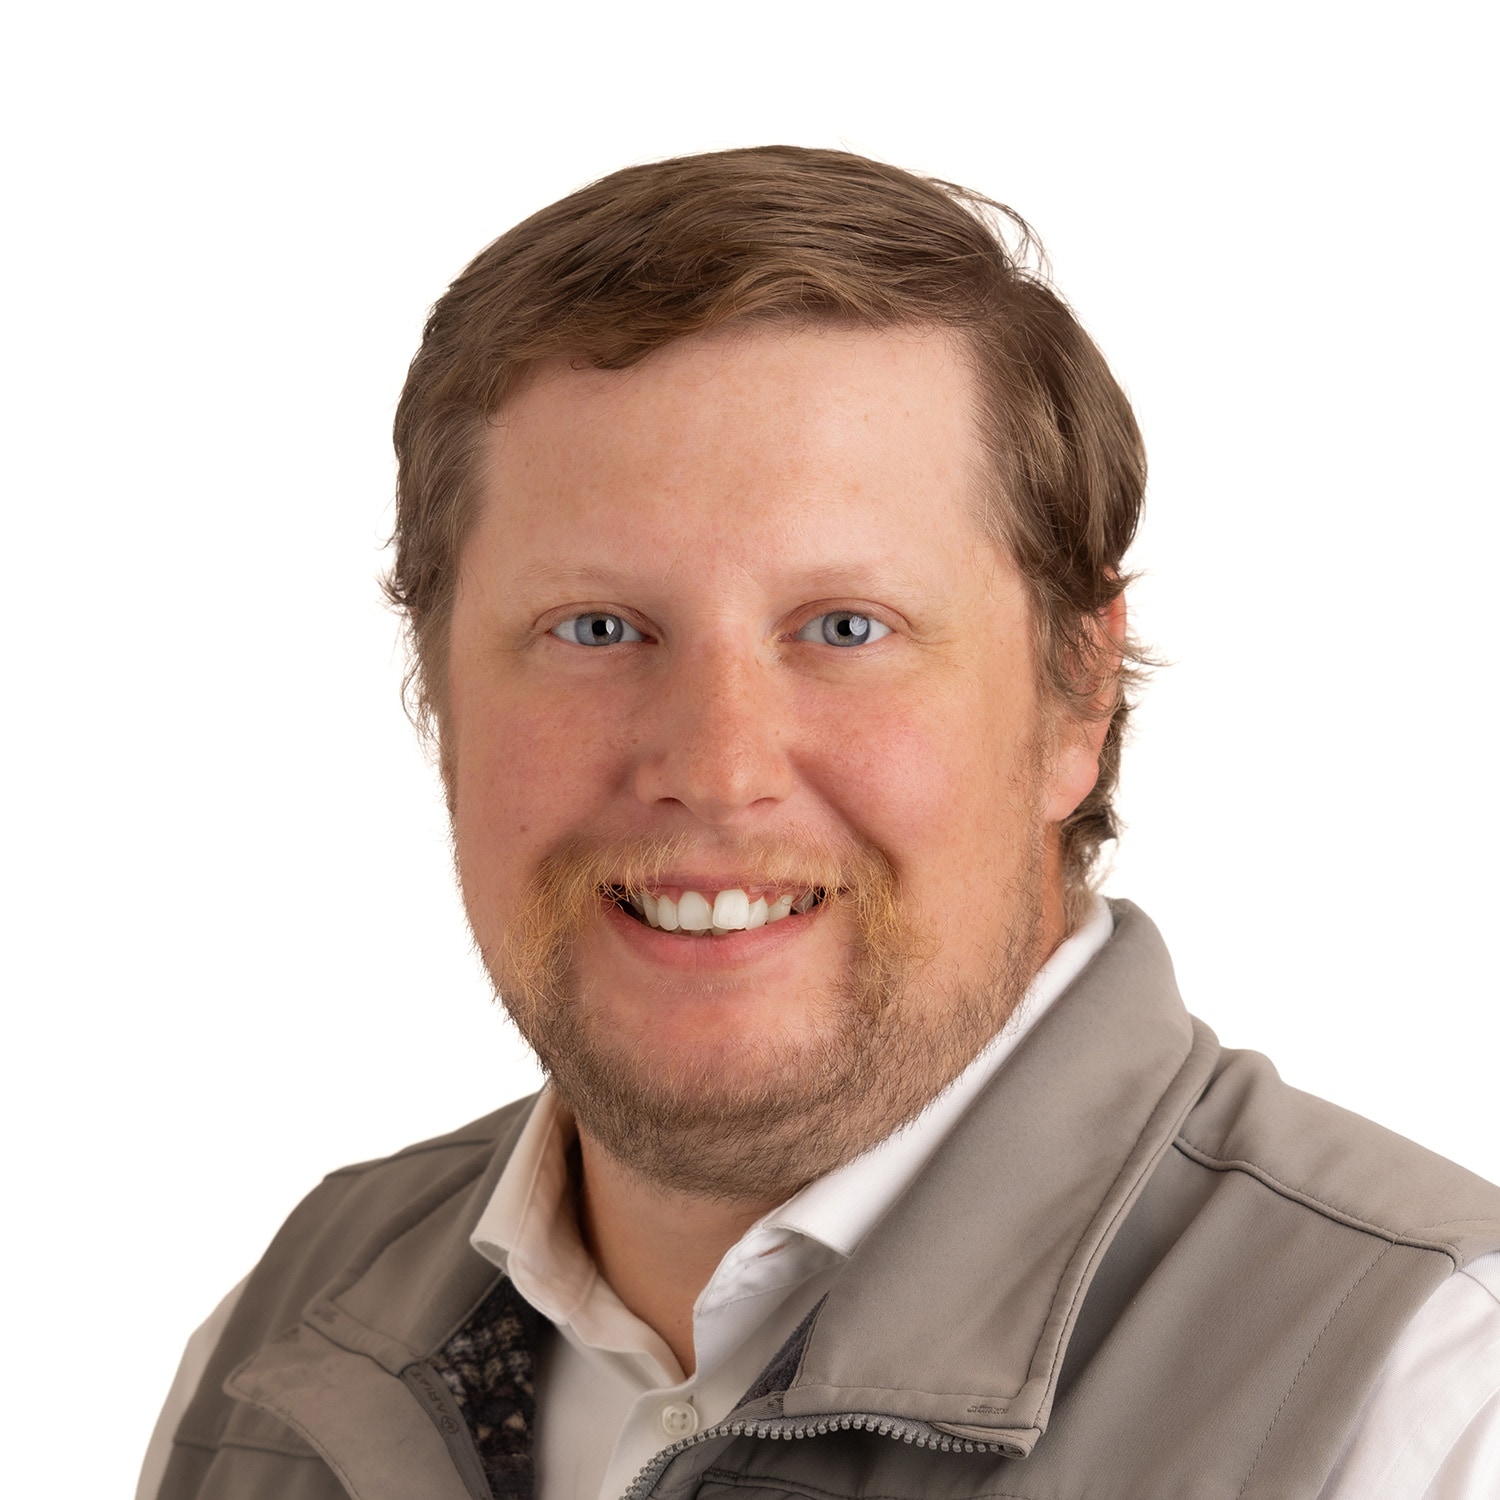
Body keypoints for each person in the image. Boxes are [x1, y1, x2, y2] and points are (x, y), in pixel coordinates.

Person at [138, 146, 1500, 1500]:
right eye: (596, 628)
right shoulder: (273, 1353)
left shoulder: (1436, 1402)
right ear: (438, 692)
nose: (717, 769)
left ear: (1075, 697)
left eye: (848, 628)